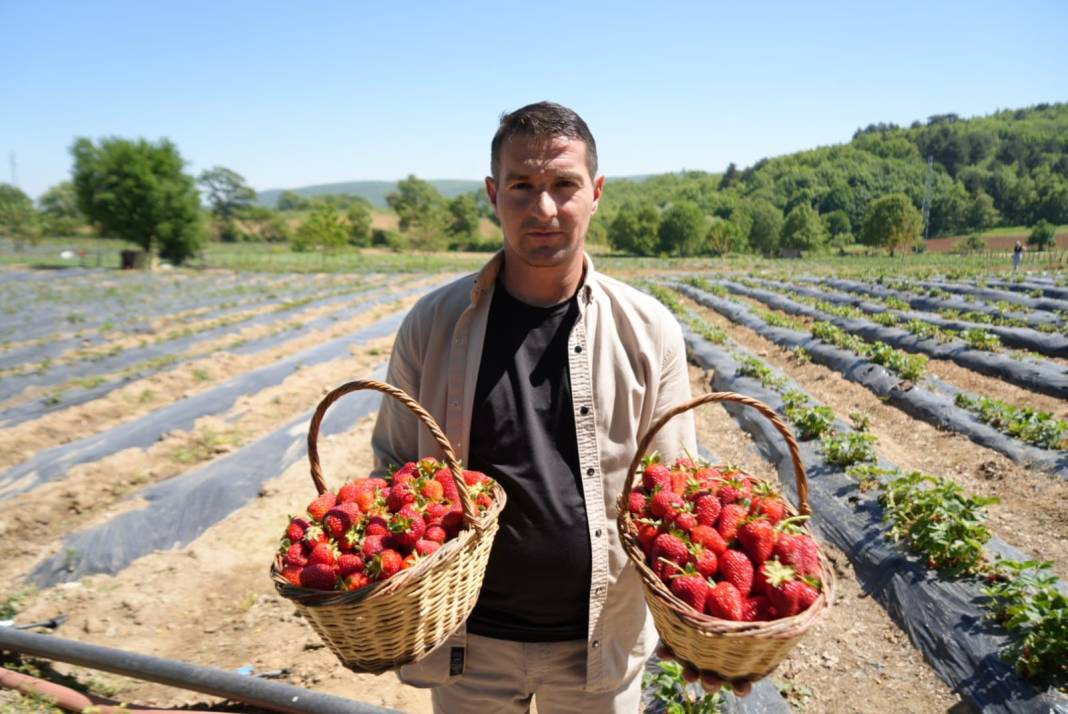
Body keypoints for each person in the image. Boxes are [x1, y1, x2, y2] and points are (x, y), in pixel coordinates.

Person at [371, 102, 747, 712]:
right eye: (522, 186)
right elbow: (391, 467)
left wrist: (699, 622)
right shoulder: (434, 325)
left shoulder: (649, 329)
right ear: (494, 194)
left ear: (595, 193)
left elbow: (675, 496)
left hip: (600, 644)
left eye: (564, 185)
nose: (543, 209)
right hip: (470, 645)